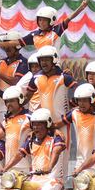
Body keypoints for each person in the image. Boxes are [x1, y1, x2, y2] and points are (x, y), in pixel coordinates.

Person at [1, 108, 65, 190]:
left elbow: (56, 151)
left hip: (53, 179)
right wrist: (6, 168)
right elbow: (19, 154)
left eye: (40, 124)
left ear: (47, 124)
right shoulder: (31, 140)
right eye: (34, 124)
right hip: (35, 179)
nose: (36, 127)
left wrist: (50, 166)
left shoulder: (56, 138)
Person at [25, 45, 76, 179]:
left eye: (47, 59)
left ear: (54, 59)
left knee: (63, 154)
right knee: (45, 153)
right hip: (44, 124)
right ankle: (45, 182)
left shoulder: (64, 77)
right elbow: (26, 99)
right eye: (41, 60)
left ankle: (61, 186)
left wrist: (63, 120)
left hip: (63, 124)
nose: (44, 63)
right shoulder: (35, 78)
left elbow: (82, 99)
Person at [0, 1, 89, 52]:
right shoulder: (34, 35)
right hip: (38, 65)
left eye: (45, 20)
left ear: (52, 20)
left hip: (53, 64)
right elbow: (16, 42)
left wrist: (81, 7)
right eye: (40, 20)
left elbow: (70, 17)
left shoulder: (57, 30)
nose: (41, 22)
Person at [61, 83, 95, 173]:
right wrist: (56, 131)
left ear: (91, 100)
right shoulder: (74, 113)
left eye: (84, 100)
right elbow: (57, 124)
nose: (81, 104)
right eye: (79, 100)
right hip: (80, 164)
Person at [0, 86, 32, 176]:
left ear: (20, 99)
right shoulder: (7, 120)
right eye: (7, 102)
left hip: (26, 166)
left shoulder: (29, 117)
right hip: (9, 166)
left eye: (12, 101)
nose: (9, 104)